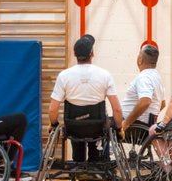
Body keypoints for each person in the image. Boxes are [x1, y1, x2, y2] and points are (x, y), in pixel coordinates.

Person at [49, 36, 123, 171]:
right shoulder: (104, 75)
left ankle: (79, 162)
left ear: (75, 54)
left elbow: (52, 110)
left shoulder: (64, 76)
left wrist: (54, 124)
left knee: (76, 127)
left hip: (73, 127)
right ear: (92, 54)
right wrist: (119, 129)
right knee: (103, 125)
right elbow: (117, 110)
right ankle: (95, 163)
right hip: (97, 127)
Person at [120, 44, 165, 136]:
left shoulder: (144, 77)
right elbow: (163, 103)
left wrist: (126, 124)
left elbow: (145, 101)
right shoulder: (157, 77)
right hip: (147, 123)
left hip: (135, 124)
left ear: (140, 60)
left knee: (105, 124)